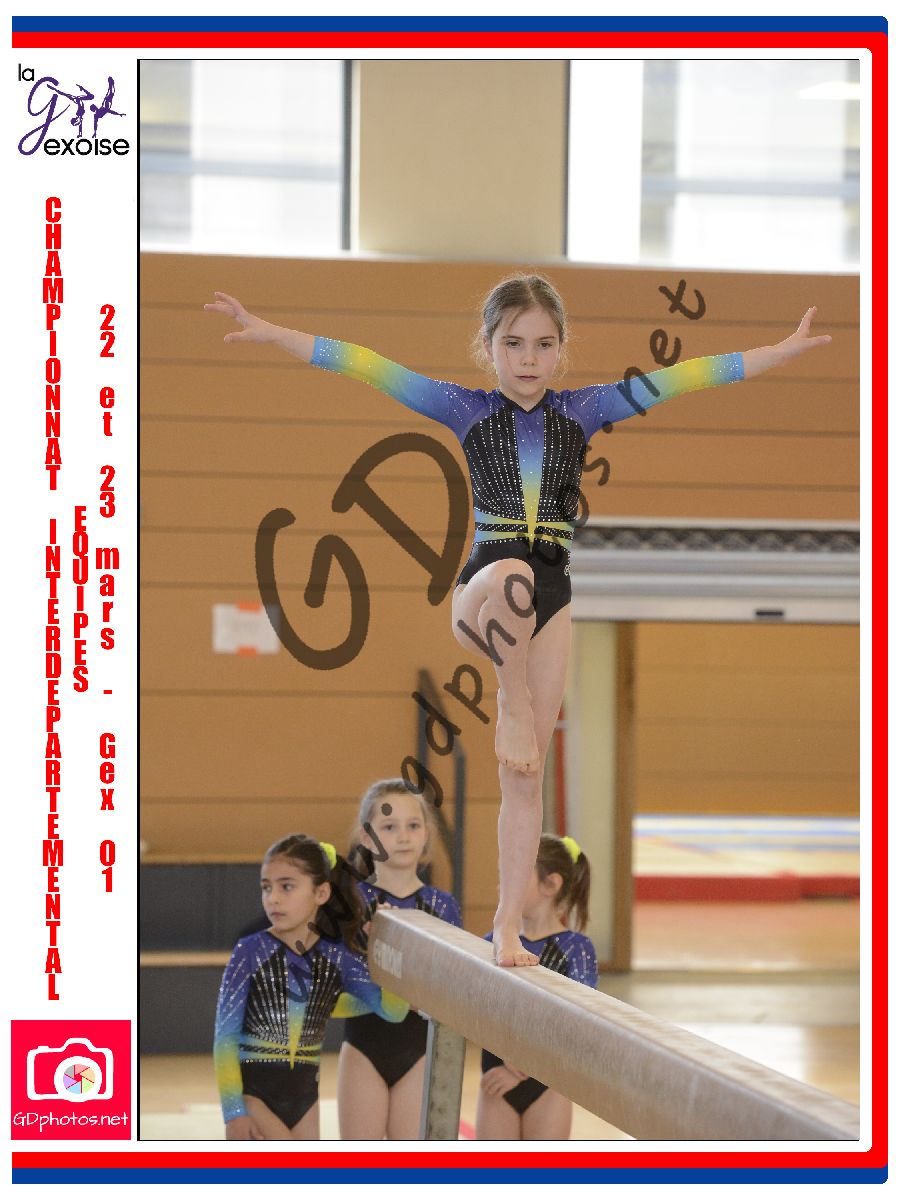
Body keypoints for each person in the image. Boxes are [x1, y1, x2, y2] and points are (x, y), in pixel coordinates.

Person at [204, 278, 832, 968]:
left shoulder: (585, 410)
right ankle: (510, 699)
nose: (529, 358)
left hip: (553, 596)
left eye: (543, 344)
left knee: (525, 779)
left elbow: (689, 376)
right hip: (485, 591)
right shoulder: (464, 408)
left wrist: (779, 351)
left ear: (561, 349)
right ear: (488, 346)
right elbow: (366, 364)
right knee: (516, 578)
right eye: (513, 344)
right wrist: (273, 332)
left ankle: (506, 925)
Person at [213, 833, 408, 1141]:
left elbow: (392, 1011)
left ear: (321, 893)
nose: (273, 898)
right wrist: (234, 1112)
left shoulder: (337, 958)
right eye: (267, 887)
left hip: (305, 1103)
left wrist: (387, 948)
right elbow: (225, 1038)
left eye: (286, 886)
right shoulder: (249, 952)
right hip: (255, 1100)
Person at [337, 778, 462, 1139]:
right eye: (389, 827)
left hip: (419, 1053)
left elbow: (453, 986)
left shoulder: (442, 907)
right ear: (367, 837)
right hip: (363, 1050)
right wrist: (373, 946)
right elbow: (336, 985)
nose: (404, 836)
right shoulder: (351, 903)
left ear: (427, 834)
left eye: (413, 825)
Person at [477, 833, 597, 1140]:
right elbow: (479, 1012)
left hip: (549, 1083)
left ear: (550, 885)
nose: (501, 885)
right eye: (502, 875)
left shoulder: (576, 948)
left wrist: (524, 1067)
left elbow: (578, 1023)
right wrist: (505, 1061)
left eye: (513, 876)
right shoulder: (494, 943)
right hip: (496, 1076)